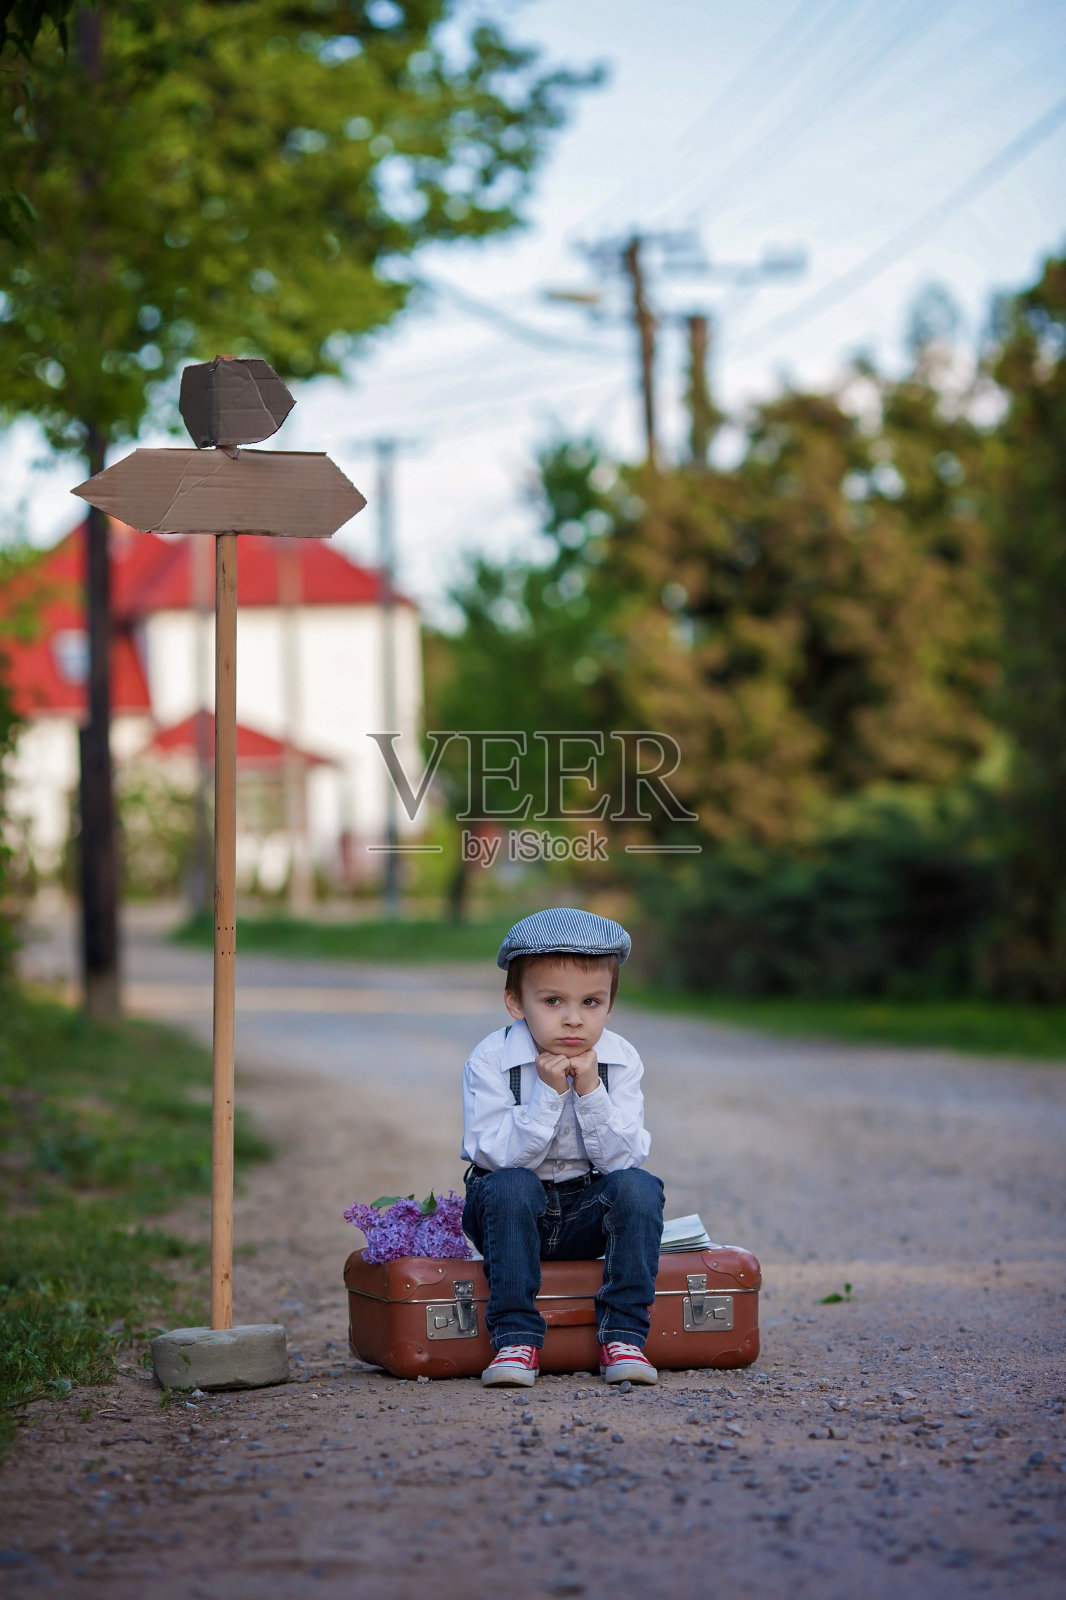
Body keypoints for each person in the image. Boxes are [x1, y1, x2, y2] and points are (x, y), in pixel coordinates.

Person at [461, 907, 665, 1388]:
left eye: (591, 1002)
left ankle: (624, 1337)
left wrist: (591, 1091)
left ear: (610, 1006)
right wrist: (547, 1097)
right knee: (512, 1185)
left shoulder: (620, 1060)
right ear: (516, 1003)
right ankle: (515, 1340)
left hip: (584, 1209)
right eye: (553, 1001)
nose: (574, 1019)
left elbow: (624, 1158)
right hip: (506, 1210)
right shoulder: (492, 1059)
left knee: (639, 1187)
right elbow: (494, 1157)